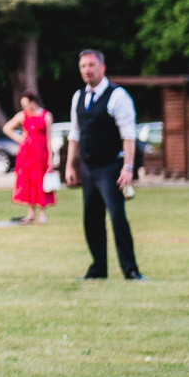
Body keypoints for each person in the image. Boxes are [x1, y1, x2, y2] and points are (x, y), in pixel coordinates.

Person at [63, 50, 144, 280]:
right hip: (88, 168)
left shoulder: (118, 96)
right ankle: (98, 268)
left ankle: (130, 269)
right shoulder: (78, 96)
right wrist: (70, 166)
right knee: (91, 218)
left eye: (91, 65)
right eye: (83, 66)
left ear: (102, 67)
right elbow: (74, 134)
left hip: (111, 167)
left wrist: (127, 167)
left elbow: (128, 134)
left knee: (117, 216)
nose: (87, 70)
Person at [2, 92, 55, 225]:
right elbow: (6, 128)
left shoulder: (46, 116)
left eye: (26, 104)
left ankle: (42, 213)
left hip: (41, 153)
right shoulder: (22, 116)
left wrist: (50, 158)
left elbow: (49, 139)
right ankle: (30, 213)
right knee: (29, 181)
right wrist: (20, 139)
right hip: (27, 154)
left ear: (33, 102)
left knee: (41, 181)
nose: (24, 107)